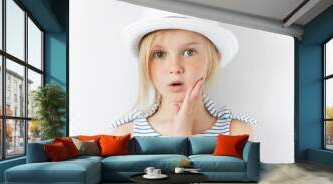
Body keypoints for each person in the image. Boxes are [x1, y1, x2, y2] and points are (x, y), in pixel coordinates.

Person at [110, 9, 257, 139]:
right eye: (159, 54)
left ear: (213, 60)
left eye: (189, 52)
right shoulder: (127, 135)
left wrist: (184, 137)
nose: (175, 68)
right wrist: (180, 139)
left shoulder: (236, 133)